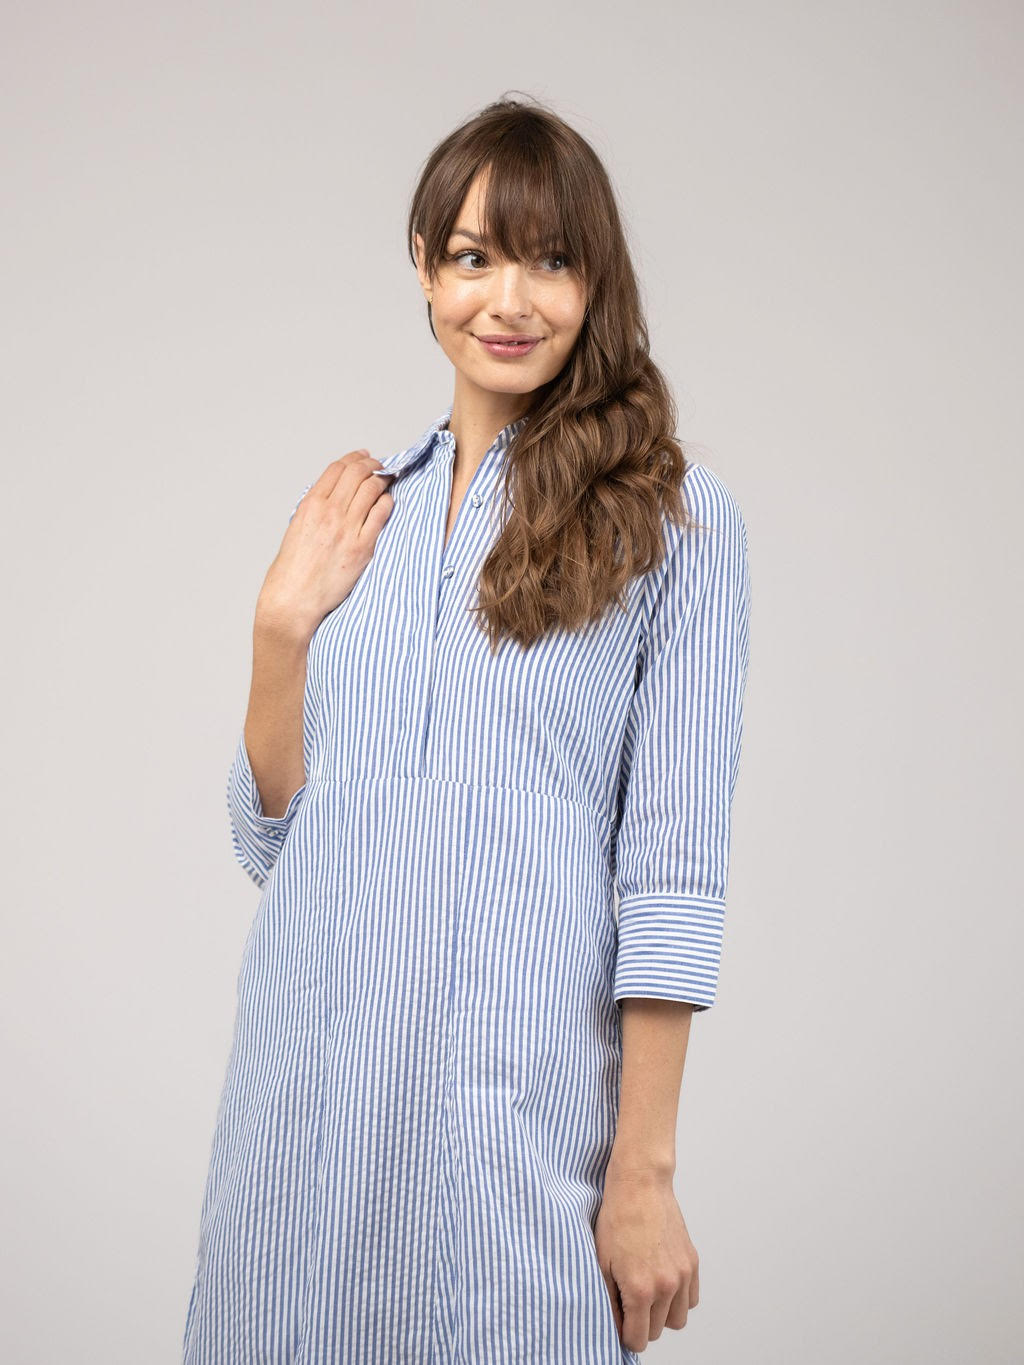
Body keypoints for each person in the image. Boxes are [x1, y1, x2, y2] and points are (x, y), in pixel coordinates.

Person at [183, 94, 751, 1364]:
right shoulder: (359, 514)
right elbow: (272, 841)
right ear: (424, 270)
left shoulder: (673, 523)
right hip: (304, 1118)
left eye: (550, 259)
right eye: (473, 256)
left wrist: (644, 1173)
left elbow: (672, 871)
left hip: (510, 1129)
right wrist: (280, 628)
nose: (509, 299)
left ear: (594, 280)